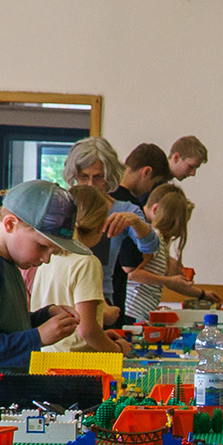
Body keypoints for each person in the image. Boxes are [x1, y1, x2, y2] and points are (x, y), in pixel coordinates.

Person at [0, 180, 84, 424]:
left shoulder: (9, 262)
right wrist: (37, 337)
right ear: (10, 224)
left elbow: (2, 325)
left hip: (2, 408)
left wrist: (44, 316)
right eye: (42, 246)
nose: (46, 259)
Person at [66, 137, 158, 321]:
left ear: (108, 177)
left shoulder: (124, 209)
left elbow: (150, 247)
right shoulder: (61, 205)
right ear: (74, 175)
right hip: (63, 298)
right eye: (84, 177)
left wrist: (136, 223)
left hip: (101, 301)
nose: (90, 184)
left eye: (97, 177)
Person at [27, 183, 126, 354]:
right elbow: (87, 331)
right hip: (74, 365)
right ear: (100, 226)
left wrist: (101, 336)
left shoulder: (50, 255)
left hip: (45, 356)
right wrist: (117, 349)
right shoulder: (87, 262)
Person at [124, 182, 217, 318]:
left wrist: (202, 294)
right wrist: (168, 281)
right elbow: (133, 274)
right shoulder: (154, 238)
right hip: (133, 311)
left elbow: (172, 282)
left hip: (141, 313)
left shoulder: (161, 242)